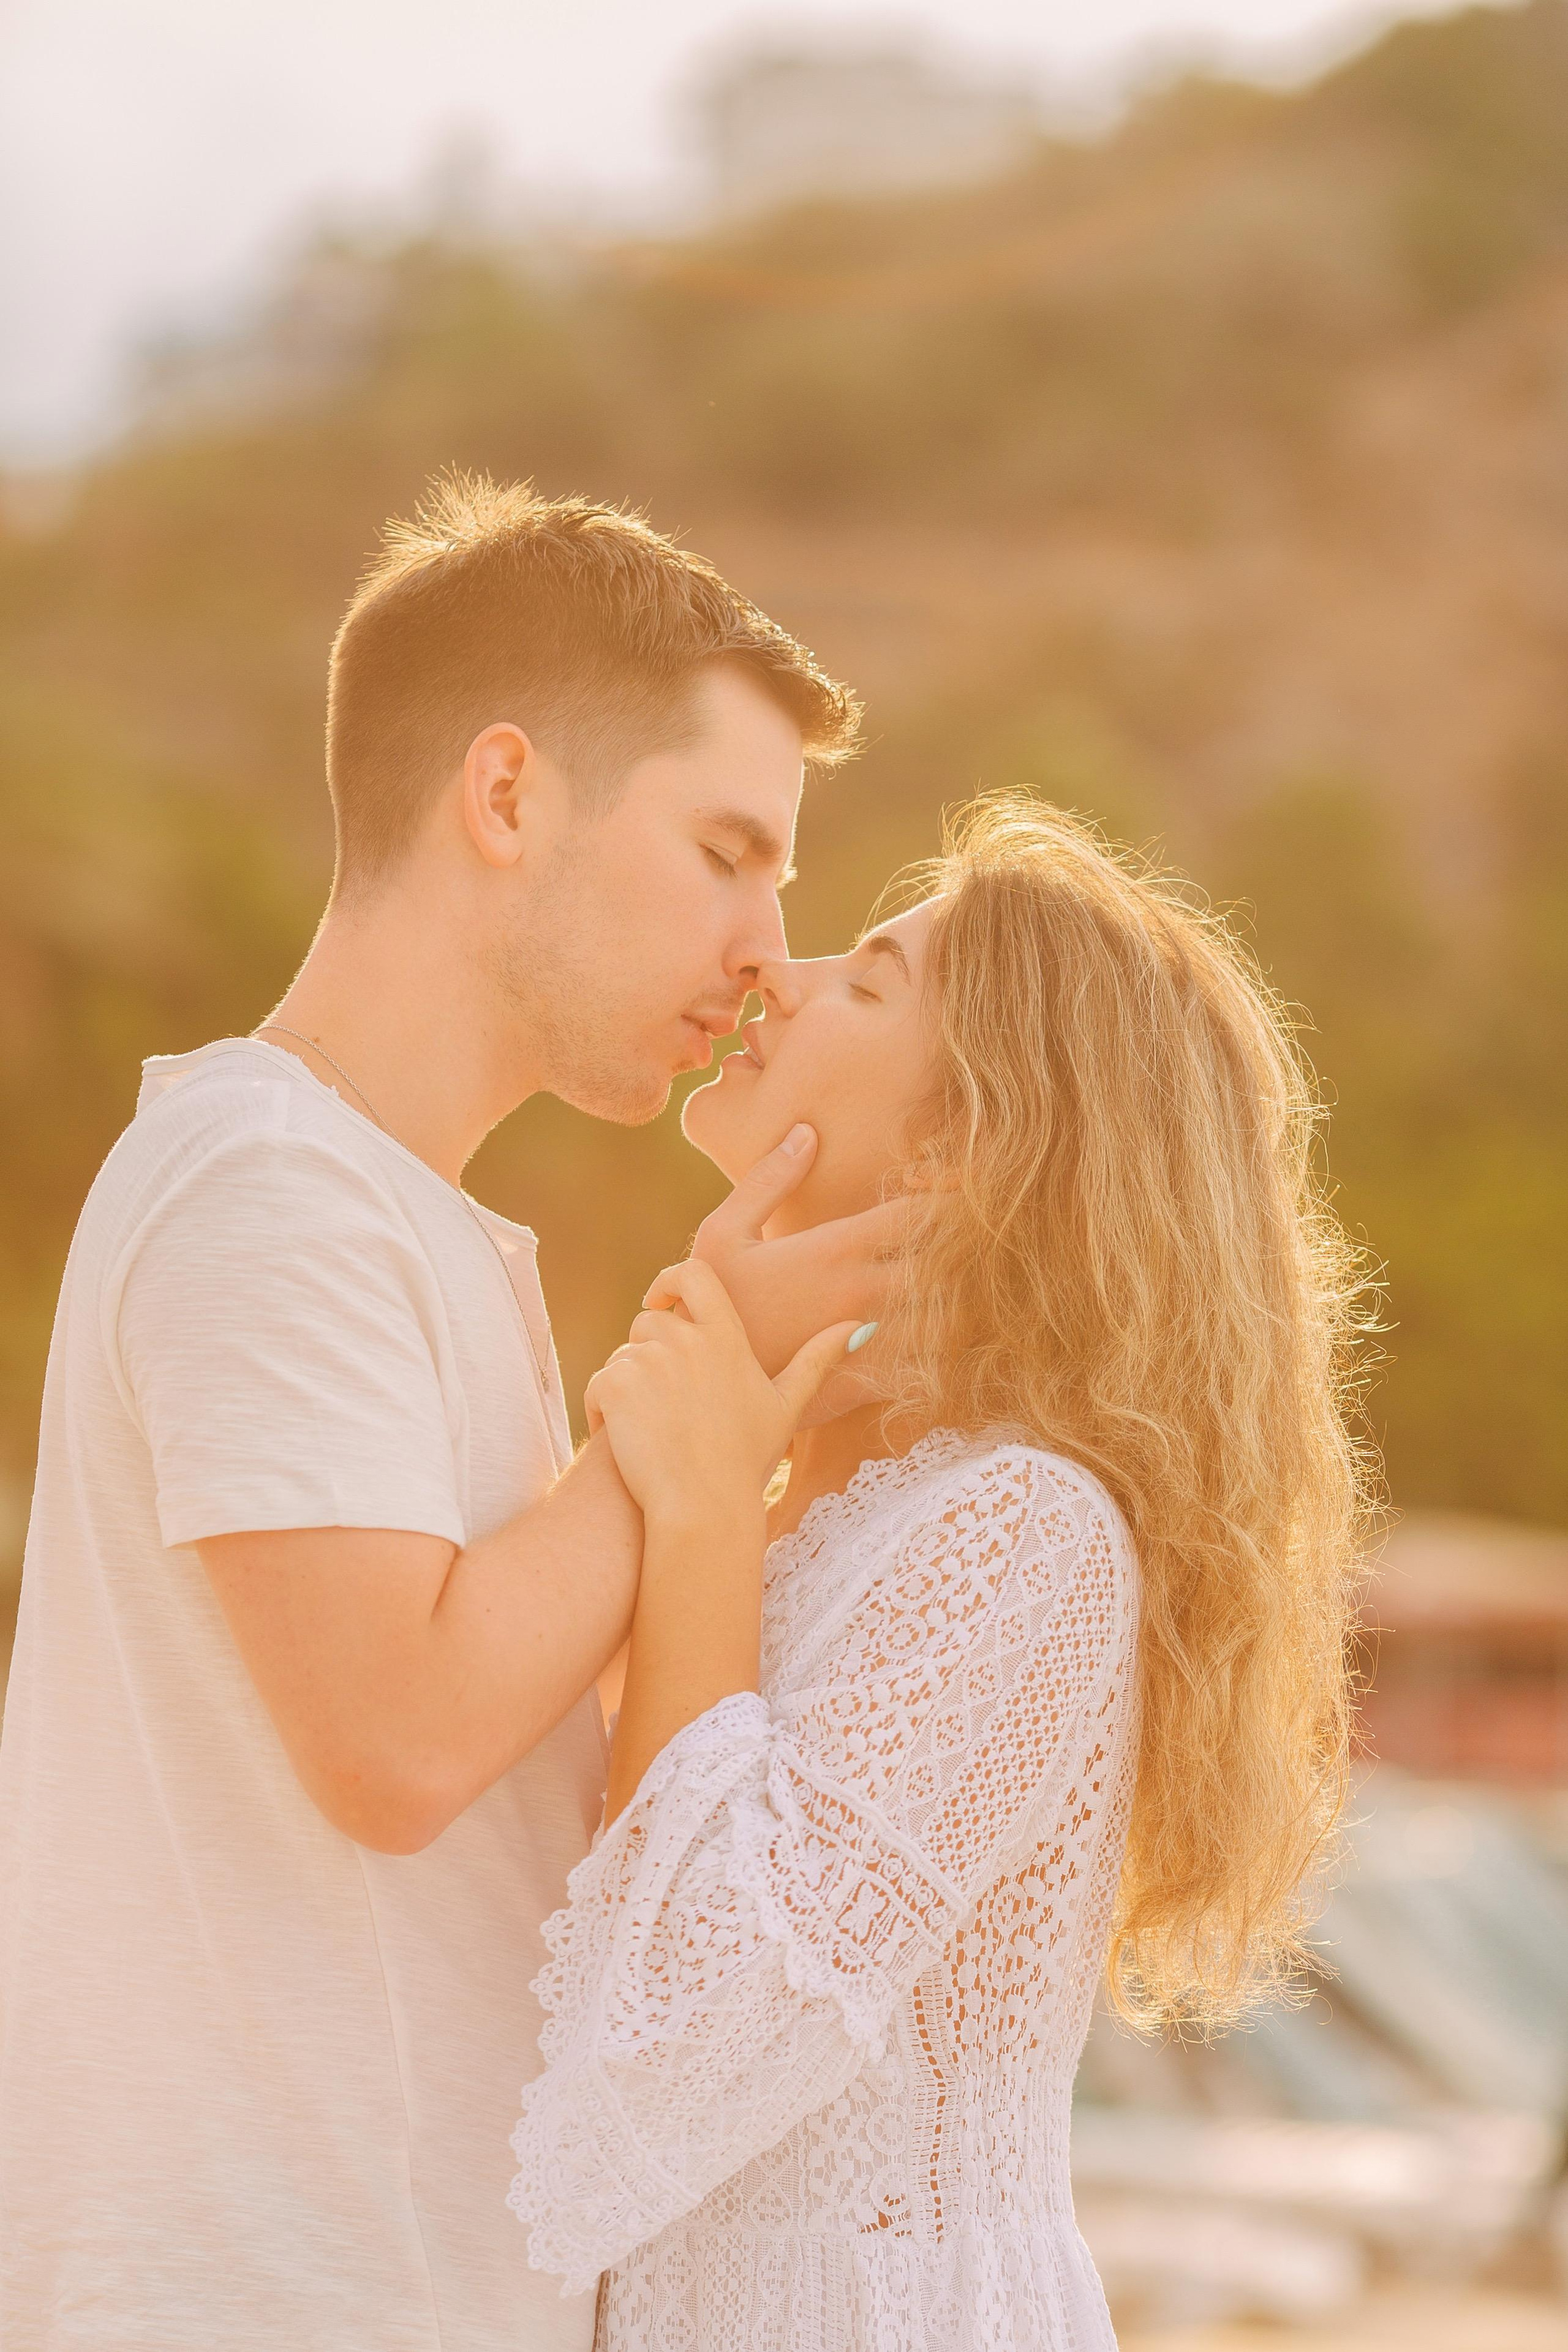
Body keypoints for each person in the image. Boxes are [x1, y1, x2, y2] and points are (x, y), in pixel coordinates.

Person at [0, 474, 889, 2351]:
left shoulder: (406, 1224)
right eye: (729, 850)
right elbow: (398, 1742)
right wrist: (711, 1348)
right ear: (505, 797)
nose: (761, 947)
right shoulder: (269, 1192)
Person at [508, 797, 1371, 2352]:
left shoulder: (1019, 1536)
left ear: (975, 1139)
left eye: (866, 981)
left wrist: (699, 1500)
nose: (778, 970)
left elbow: (671, 2040)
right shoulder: (812, 1511)